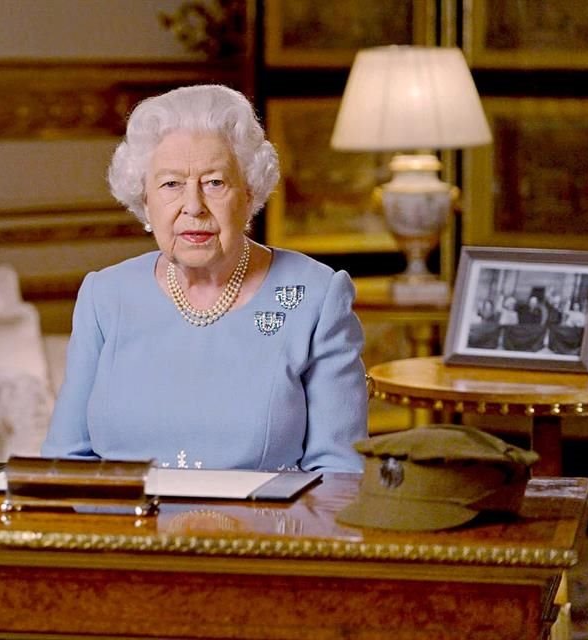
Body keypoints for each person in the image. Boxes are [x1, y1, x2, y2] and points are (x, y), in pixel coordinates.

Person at [41, 84, 367, 473]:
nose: (193, 206)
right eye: (171, 184)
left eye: (214, 182)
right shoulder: (105, 296)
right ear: (144, 201)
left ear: (249, 195)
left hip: (260, 532)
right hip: (124, 530)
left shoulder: (315, 296)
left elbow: (339, 477)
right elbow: (64, 464)